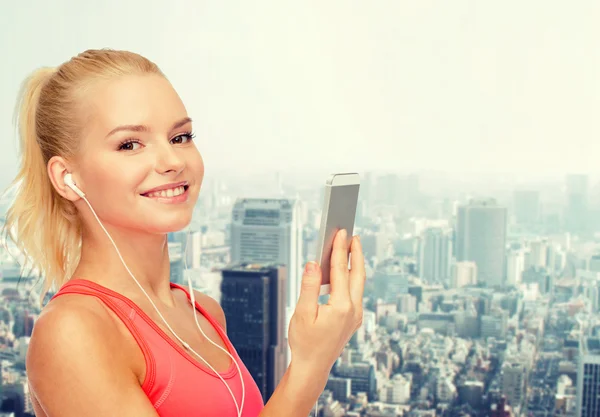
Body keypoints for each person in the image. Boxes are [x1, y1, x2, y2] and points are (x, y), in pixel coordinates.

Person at [2, 49, 366, 417]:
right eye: (130, 144)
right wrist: (310, 365)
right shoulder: (72, 331)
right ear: (68, 178)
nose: (174, 161)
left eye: (180, 137)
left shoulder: (204, 314)